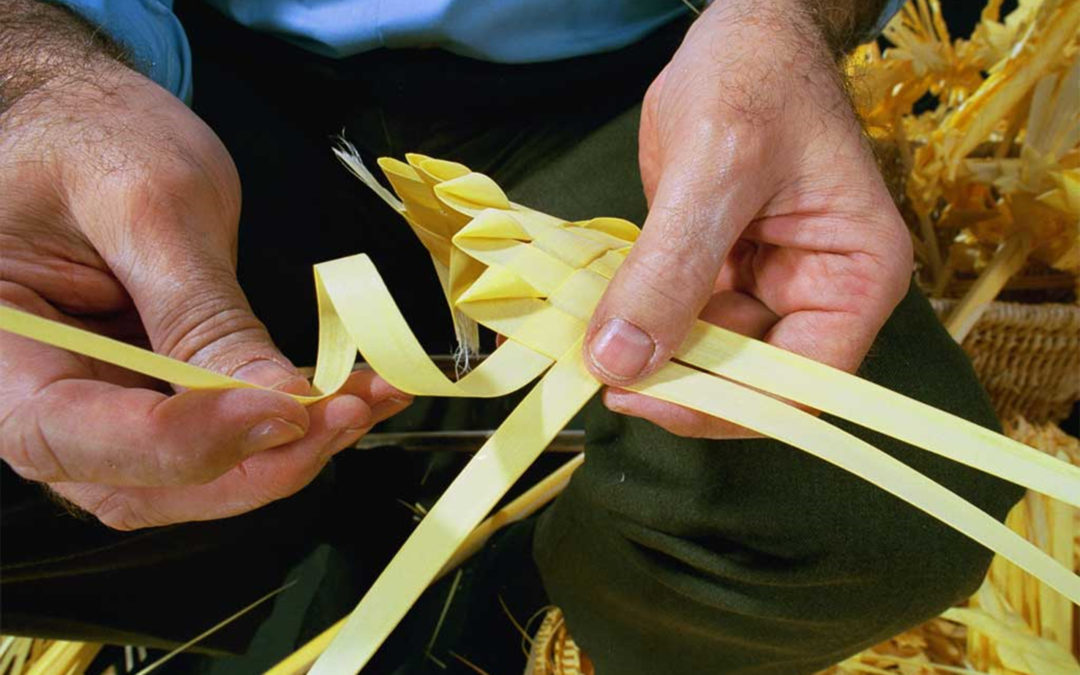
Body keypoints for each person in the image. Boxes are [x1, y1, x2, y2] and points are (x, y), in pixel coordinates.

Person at [0, 1, 1023, 673]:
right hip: (132, 71)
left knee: (870, 506)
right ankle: (292, 578)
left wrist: (783, 23)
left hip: (631, 82)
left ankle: (517, 620)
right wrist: (27, 79)